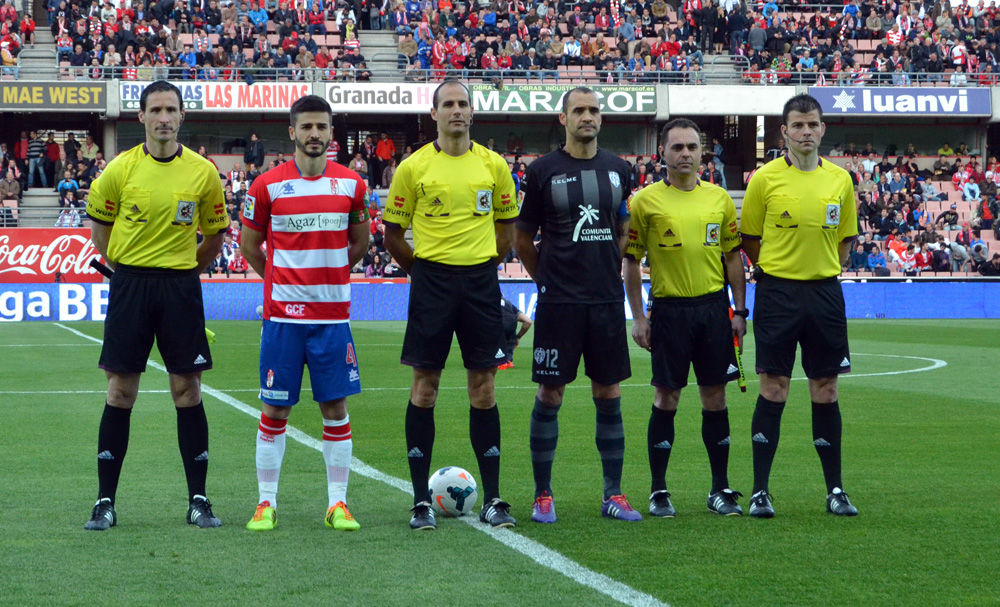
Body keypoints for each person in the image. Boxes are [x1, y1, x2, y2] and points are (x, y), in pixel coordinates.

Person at [82, 80, 229, 531]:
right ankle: (105, 502)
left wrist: (183, 270)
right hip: (131, 287)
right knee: (120, 391)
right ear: (141, 117)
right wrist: (128, 269)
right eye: (156, 110)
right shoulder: (119, 170)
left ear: (182, 117)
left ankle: (199, 500)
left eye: (171, 110)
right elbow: (100, 232)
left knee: (187, 390)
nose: (164, 117)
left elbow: (215, 236)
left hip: (180, 289)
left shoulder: (203, 172)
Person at [383, 79, 519, 531]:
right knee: (426, 387)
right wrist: (424, 273)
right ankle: (421, 501)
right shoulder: (414, 167)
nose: (457, 111)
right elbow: (393, 235)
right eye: (449, 104)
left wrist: (479, 268)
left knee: (484, 388)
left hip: (480, 283)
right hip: (432, 283)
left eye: (463, 104)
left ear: (472, 113)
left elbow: (506, 234)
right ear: (434, 113)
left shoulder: (494, 165)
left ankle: (495, 498)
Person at [240, 95, 370, 532]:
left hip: (333, 319)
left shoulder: (352, 185)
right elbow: (249, 247)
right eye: (307, 127)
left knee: (335, 408)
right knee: (275, 411)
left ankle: (338, 505)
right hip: (283, 321)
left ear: (331, 133)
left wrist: (328, 275)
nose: (315, 134)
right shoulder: (267, 186)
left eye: (322, 127)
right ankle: (265, 503)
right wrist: (281, 281)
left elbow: (360, 243)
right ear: (292, 132)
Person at [513, 87, 640, 523]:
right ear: (563, 118)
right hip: (559, 302)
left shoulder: (620, 169)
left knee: (609, 390)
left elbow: (623, 225)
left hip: (605, 301)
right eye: (579, 110)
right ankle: (542, 495)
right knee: (551, 392)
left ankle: (614, 494)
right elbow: (521, 237)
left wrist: (611, 265)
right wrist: (546, 278)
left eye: (594, 110)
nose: (588, 117)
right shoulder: (542, 171)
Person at [740, 94, 859, 519]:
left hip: (825, 292)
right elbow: (750, 240)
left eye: (813, 125)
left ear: (822, 129)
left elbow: (846, 239)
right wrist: (781, 269)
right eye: (798, 125)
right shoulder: (764, 179)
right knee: (774, 387)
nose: (806, 132)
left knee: (826, 387)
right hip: (777, 293)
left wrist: (819, 268)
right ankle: (759, 492)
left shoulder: (841, 180)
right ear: (784, 132)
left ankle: (836, 490)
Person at [623, 118, 747, 519]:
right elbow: (631, 262)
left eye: (692, 147)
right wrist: (639, 316)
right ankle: (659, 490)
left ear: (701, 152)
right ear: (662, 153)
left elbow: (732, 257)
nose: (685, 154)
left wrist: (739, 311)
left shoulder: (720, 199)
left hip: (714, 310)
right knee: (666, 398)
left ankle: (720, 488)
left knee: (716, 397)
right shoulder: (644, 202)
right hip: (669, 311)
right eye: (676, 147)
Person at [497, 297, 531, 370]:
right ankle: (508, 360)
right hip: (510, 329)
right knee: (509, 324)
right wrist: (518, 337)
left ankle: (495, 360)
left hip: (495, 329)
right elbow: (528, 322)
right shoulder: (508, 304)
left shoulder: (487, 302)